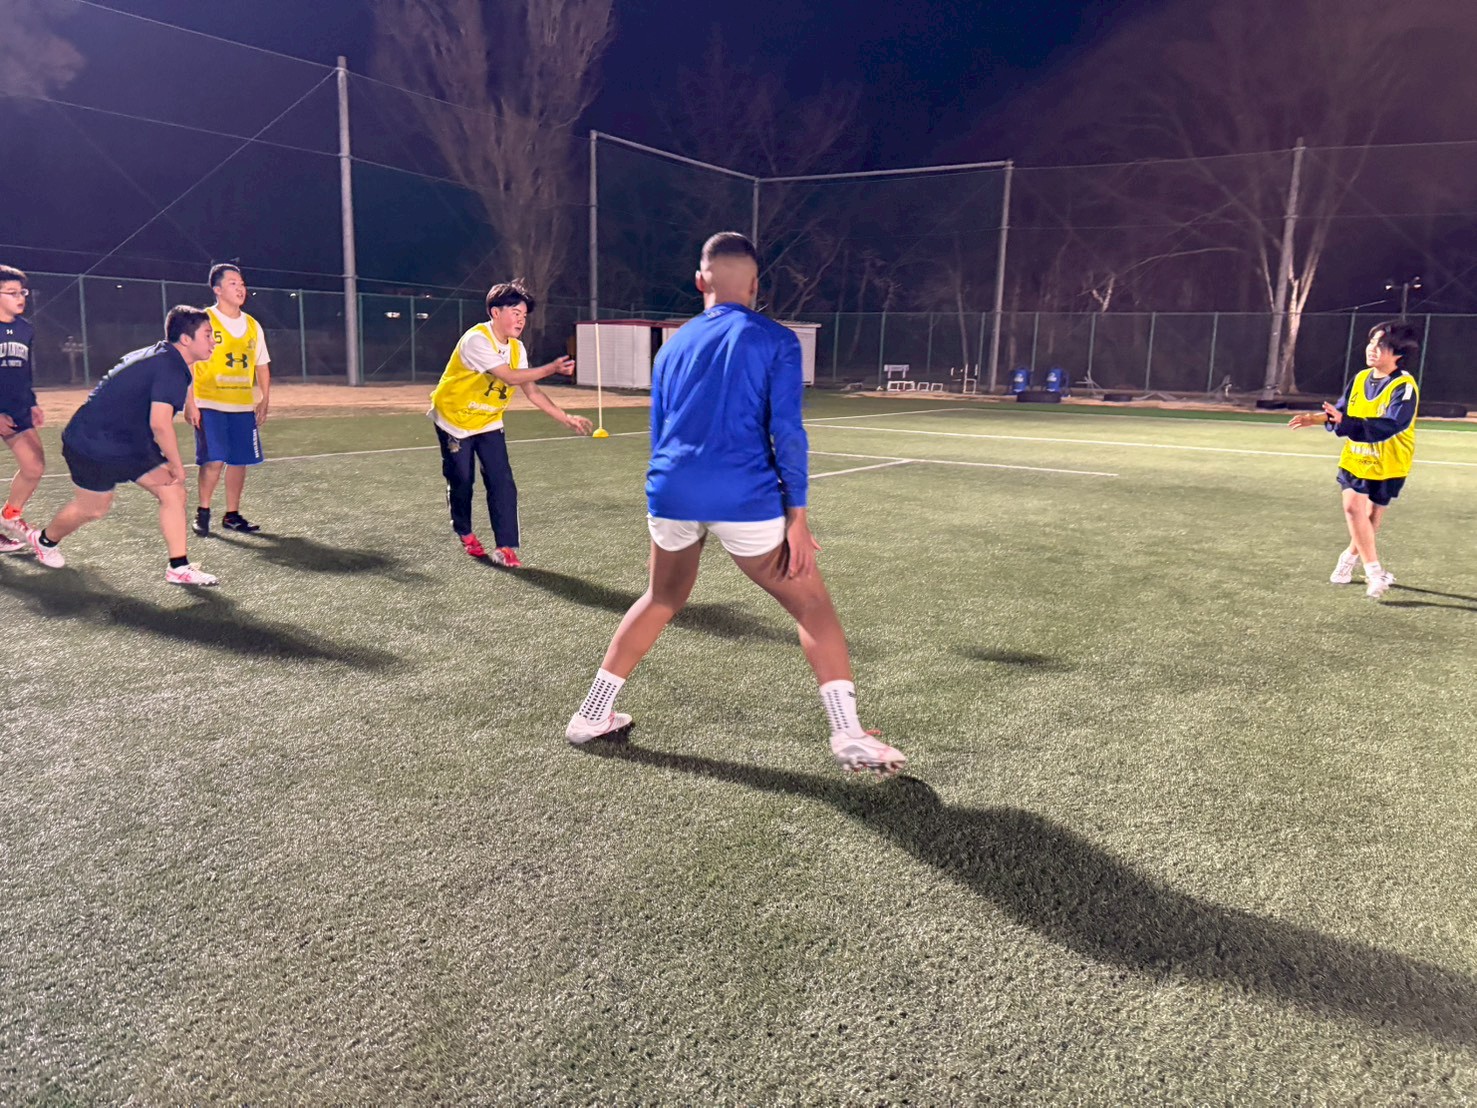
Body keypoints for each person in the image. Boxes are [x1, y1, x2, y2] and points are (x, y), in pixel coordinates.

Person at [565, 232, 906, 777]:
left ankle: (590, 714)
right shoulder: (775, 339)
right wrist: (797, 516)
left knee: (661, 597)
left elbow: (660, 430)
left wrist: (671, 485)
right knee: (812, 606)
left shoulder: (671, 346)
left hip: (671, 489)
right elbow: (787, 432)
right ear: (754, 285)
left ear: (700, 281)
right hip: (742, 495)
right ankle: (847, 732)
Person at [26, 306, 220, 585]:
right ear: (186, 339)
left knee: (173, 492)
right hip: (93, 442)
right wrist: (177, 464)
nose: (213, 341)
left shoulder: (167, 358)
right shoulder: (169, 367)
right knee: (94, 508)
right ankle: (44, 540)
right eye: (208, 335)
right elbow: (160, 424)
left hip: (130, 441)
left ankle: (178, 567)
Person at [428, 280, 590, 566]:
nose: (521, 320)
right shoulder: (476, 340)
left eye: (524, 315)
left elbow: (532, 391)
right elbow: (510, 377)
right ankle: (464, 531)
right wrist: (552, 368)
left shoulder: (517, 348)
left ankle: (505, 547)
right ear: (495, 312)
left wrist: (565, 417)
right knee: (462, 480)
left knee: (502, 481)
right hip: (454, 419)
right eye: (515, 313)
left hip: (488, 421)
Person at [1288, 320, 1422, 600]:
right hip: (1356, 458)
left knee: (1371, 517)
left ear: (1398, 352)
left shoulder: (1405, 386)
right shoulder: (1360, 378)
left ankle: (1348, 559)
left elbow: (1391, 425)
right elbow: (1341, 412)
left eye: (1381, 345)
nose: (1372, 348)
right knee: (1352, 508)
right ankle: (1375, 572)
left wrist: (1346, 422)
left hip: (1390, 462)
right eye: (1371, 342)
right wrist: (1316, 418)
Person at [185, 263, 271, 537]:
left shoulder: (253, 325)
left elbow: (261, 365)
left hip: (242, 406)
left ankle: (232, 515)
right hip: (209, 403)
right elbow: (189, 362)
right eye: (233, 283)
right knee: (213, 460)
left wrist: (264, 399)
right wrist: (190, 401)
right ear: (217, 289)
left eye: (242, 283)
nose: (240, 288)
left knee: (238, 460)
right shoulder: (204, 321)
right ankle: (203, 512)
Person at [0, 265, 45, 553]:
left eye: (22, 292)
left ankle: (9, 516)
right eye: (12, 293)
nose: (20, 298)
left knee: (35, 466)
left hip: (16, 409)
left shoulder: (25, 329)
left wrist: (31, 402)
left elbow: (23, 372)